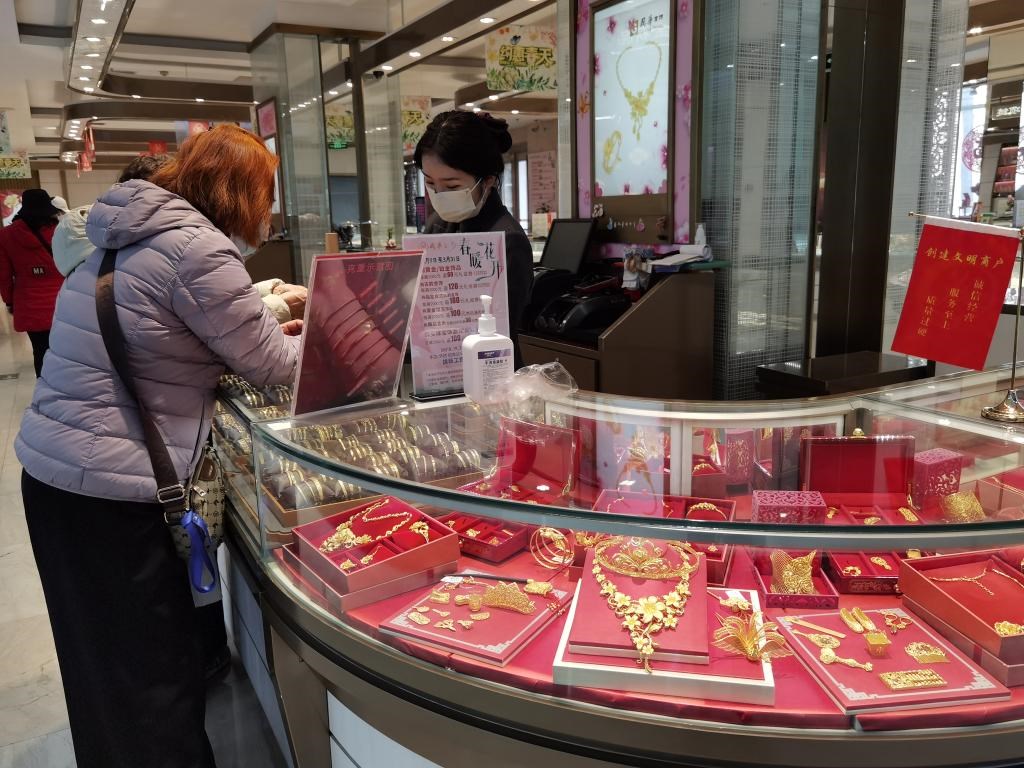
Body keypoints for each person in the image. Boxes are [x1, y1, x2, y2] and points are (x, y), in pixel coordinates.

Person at [16, 124, 300, 768]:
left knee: (101, 663)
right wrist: (336, 330)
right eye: (266, 193)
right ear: (239, 191)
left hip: (58, 477)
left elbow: (170, 331)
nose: (269, 210)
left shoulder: (127, 231)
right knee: (151, 672)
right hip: (114, 490)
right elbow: (276, 366)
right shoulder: (197, 247)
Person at [415, 110, 533, 340]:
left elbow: (503, 329)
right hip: (438, 354)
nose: (439, 194)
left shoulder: (508, 240)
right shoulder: (437, 224)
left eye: (452, 186)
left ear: (487, 181)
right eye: (430, 183)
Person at [0, 189, 65, 376]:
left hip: (29, 304)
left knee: (40, 351)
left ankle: (44, 388)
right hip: (63, 301)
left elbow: (4, 276)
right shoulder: (61, 230)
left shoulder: (6, 236)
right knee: (66, 352)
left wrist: (9, 301)